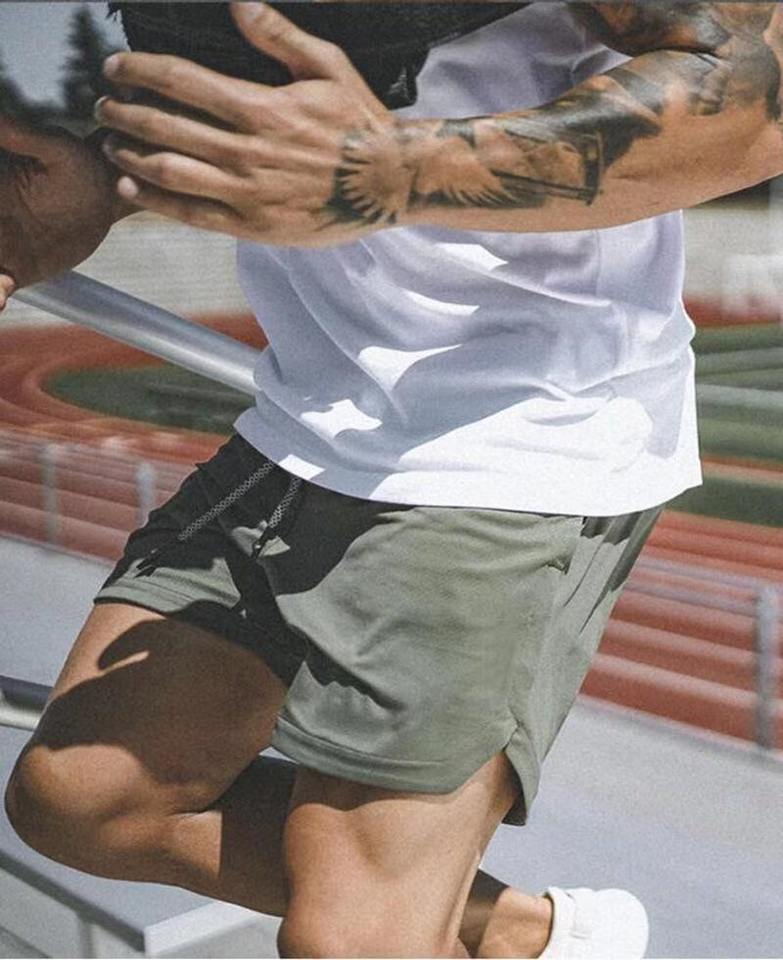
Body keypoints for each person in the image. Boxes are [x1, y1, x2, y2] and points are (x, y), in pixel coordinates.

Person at [3, 2, 782, 956]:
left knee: (352, 941)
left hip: (511, 436)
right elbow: (287, 83)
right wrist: (109, 176)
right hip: (308, 413)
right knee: (83, 798)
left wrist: (394, 171)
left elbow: (753, 104)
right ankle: (527, 936)